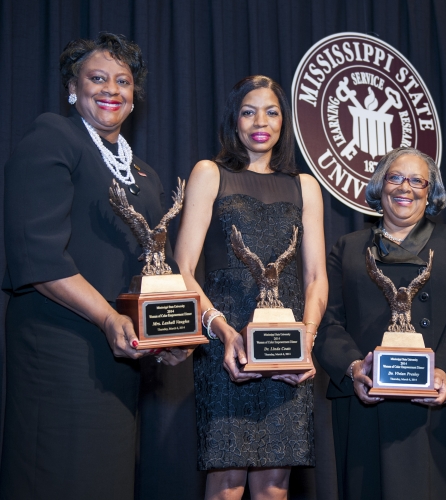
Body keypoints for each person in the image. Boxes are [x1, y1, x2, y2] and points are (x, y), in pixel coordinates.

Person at [0, 33, 187, 499]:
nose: (111, 90)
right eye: (97, 78)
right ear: (72, 87)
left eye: (123, 81)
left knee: (107, 481)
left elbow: (151, 271)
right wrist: (106, 317)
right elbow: (38, 255)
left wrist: (164, 334)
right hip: (62, 343)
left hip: (120, 354)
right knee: (61, 476)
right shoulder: (53, 136)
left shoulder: (145, 175)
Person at [174, 75, 327, 499]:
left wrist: (307, 341)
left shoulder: (306, 185)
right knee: (225, 482)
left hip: (287, 343)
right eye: (249, 110)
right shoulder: (210, 173)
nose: (261, 120)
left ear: (284, 122)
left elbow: (315, 277)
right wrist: (221, 330)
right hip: (226, 340)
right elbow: (183, 268)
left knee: (275, 486)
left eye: (272, 111)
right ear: (234, 120)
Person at [312, 147, 446, 500]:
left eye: (416, 180)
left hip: (436, 406)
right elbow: (328, 321)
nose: (404, 187)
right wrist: (353, 367)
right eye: (395, 177)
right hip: (367, 402)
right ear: (380, 185)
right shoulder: (347, 248)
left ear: (430, 191)